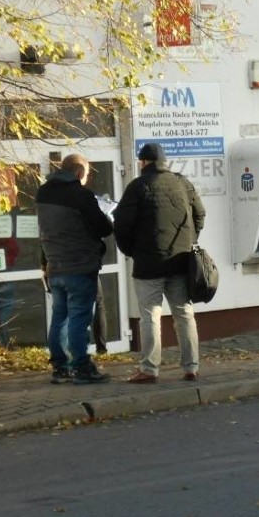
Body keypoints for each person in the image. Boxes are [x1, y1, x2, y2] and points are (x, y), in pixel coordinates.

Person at [113, 143, 206, 383]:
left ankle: (149, 369)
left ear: (144, 162)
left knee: (150, 316)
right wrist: (189, 240)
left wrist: (130, 250)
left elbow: (122, 223)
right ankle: (191, 367)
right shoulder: (182, 183)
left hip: (148, 263)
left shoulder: (138, 186)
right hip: (180, 261)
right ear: (164, 162)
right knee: (184, 314)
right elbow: (199, 214)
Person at [36, 153, 114, 384]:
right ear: (79, 173)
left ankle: (60, 367)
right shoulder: (81, 195)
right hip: (79, 265)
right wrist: (108, 218)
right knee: (80, 318)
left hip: (54, 265)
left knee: (59, 317)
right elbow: (102, 227)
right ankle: (81, 367)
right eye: (87, 174)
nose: (86, 179)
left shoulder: (44, 192)